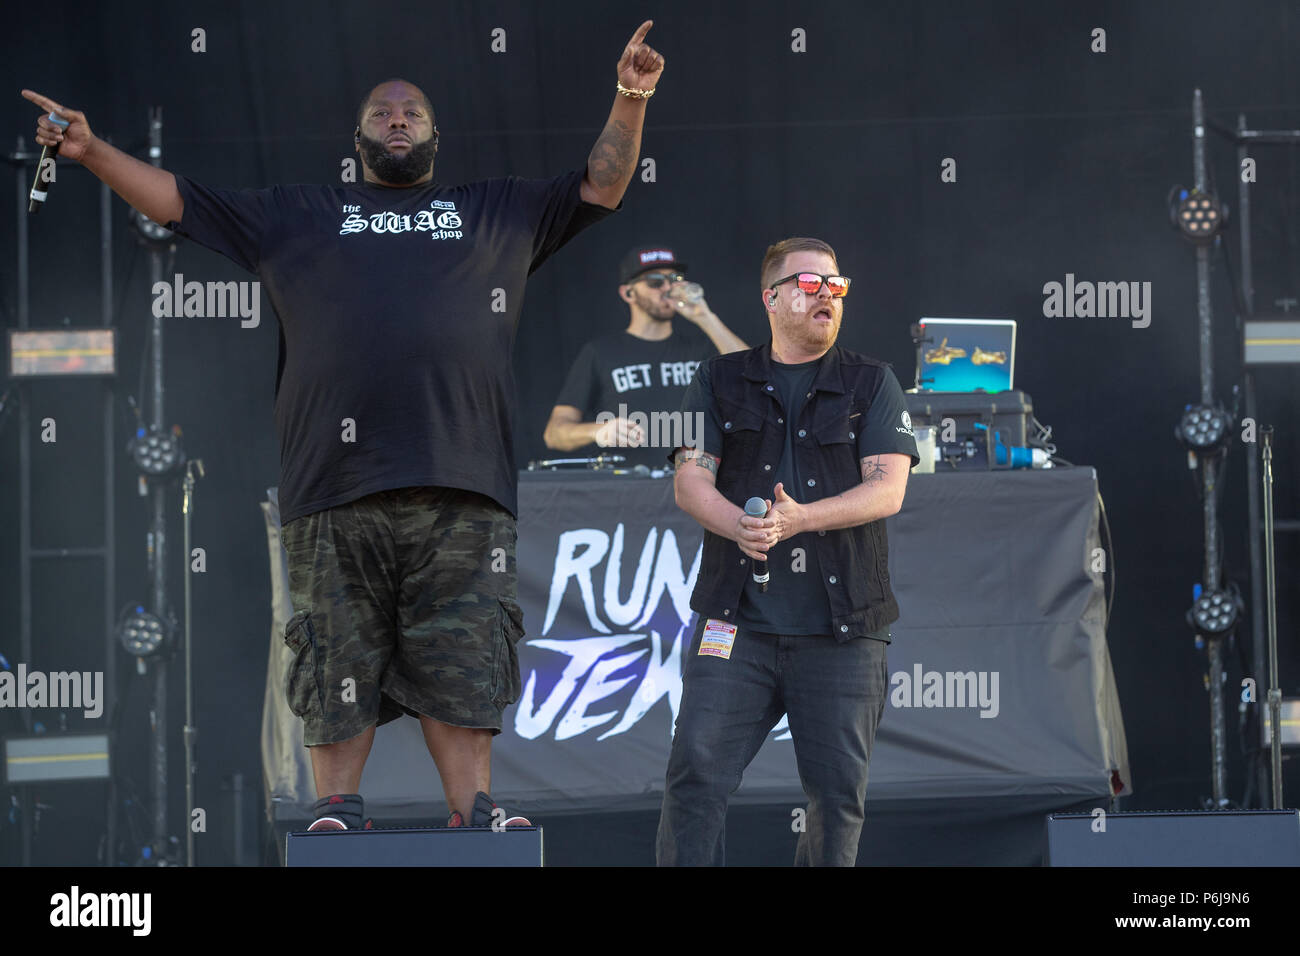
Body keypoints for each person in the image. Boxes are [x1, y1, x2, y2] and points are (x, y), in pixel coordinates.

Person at [23, 19, 664, 833]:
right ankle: (336, 813)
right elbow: (180, 200)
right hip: (333, 482)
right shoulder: (298, 214)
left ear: (436, 137)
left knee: (465, 658)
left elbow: (603, 185)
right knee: (335, 652)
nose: (397, 118)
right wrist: (90, 151)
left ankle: (476, 813)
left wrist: (631, 94)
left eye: (413, 112)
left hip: (461, 482)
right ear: (357, 137)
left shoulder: (497, 209)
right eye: (382, 112)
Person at [656, 236, 919, 865]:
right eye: (809, 283)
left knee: (836, 798)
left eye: (836, 284)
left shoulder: (871, 382)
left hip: (844, 628)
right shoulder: (719, 379)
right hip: (736, 622)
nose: (827, 293)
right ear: (772, 299)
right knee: (695, 775)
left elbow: (889, 489)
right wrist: (738, 525)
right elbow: (690, 479)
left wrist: (802, 520)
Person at [543, 246, 747, 469]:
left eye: (674, 279)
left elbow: (754, 373)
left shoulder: (700, 349)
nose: (668, 288)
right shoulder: (600, 353)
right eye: (655, 282)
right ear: (628, 293)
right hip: (630, 492)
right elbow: (554, 433)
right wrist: (598, 431)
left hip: (698, 487)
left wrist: (705, 317)